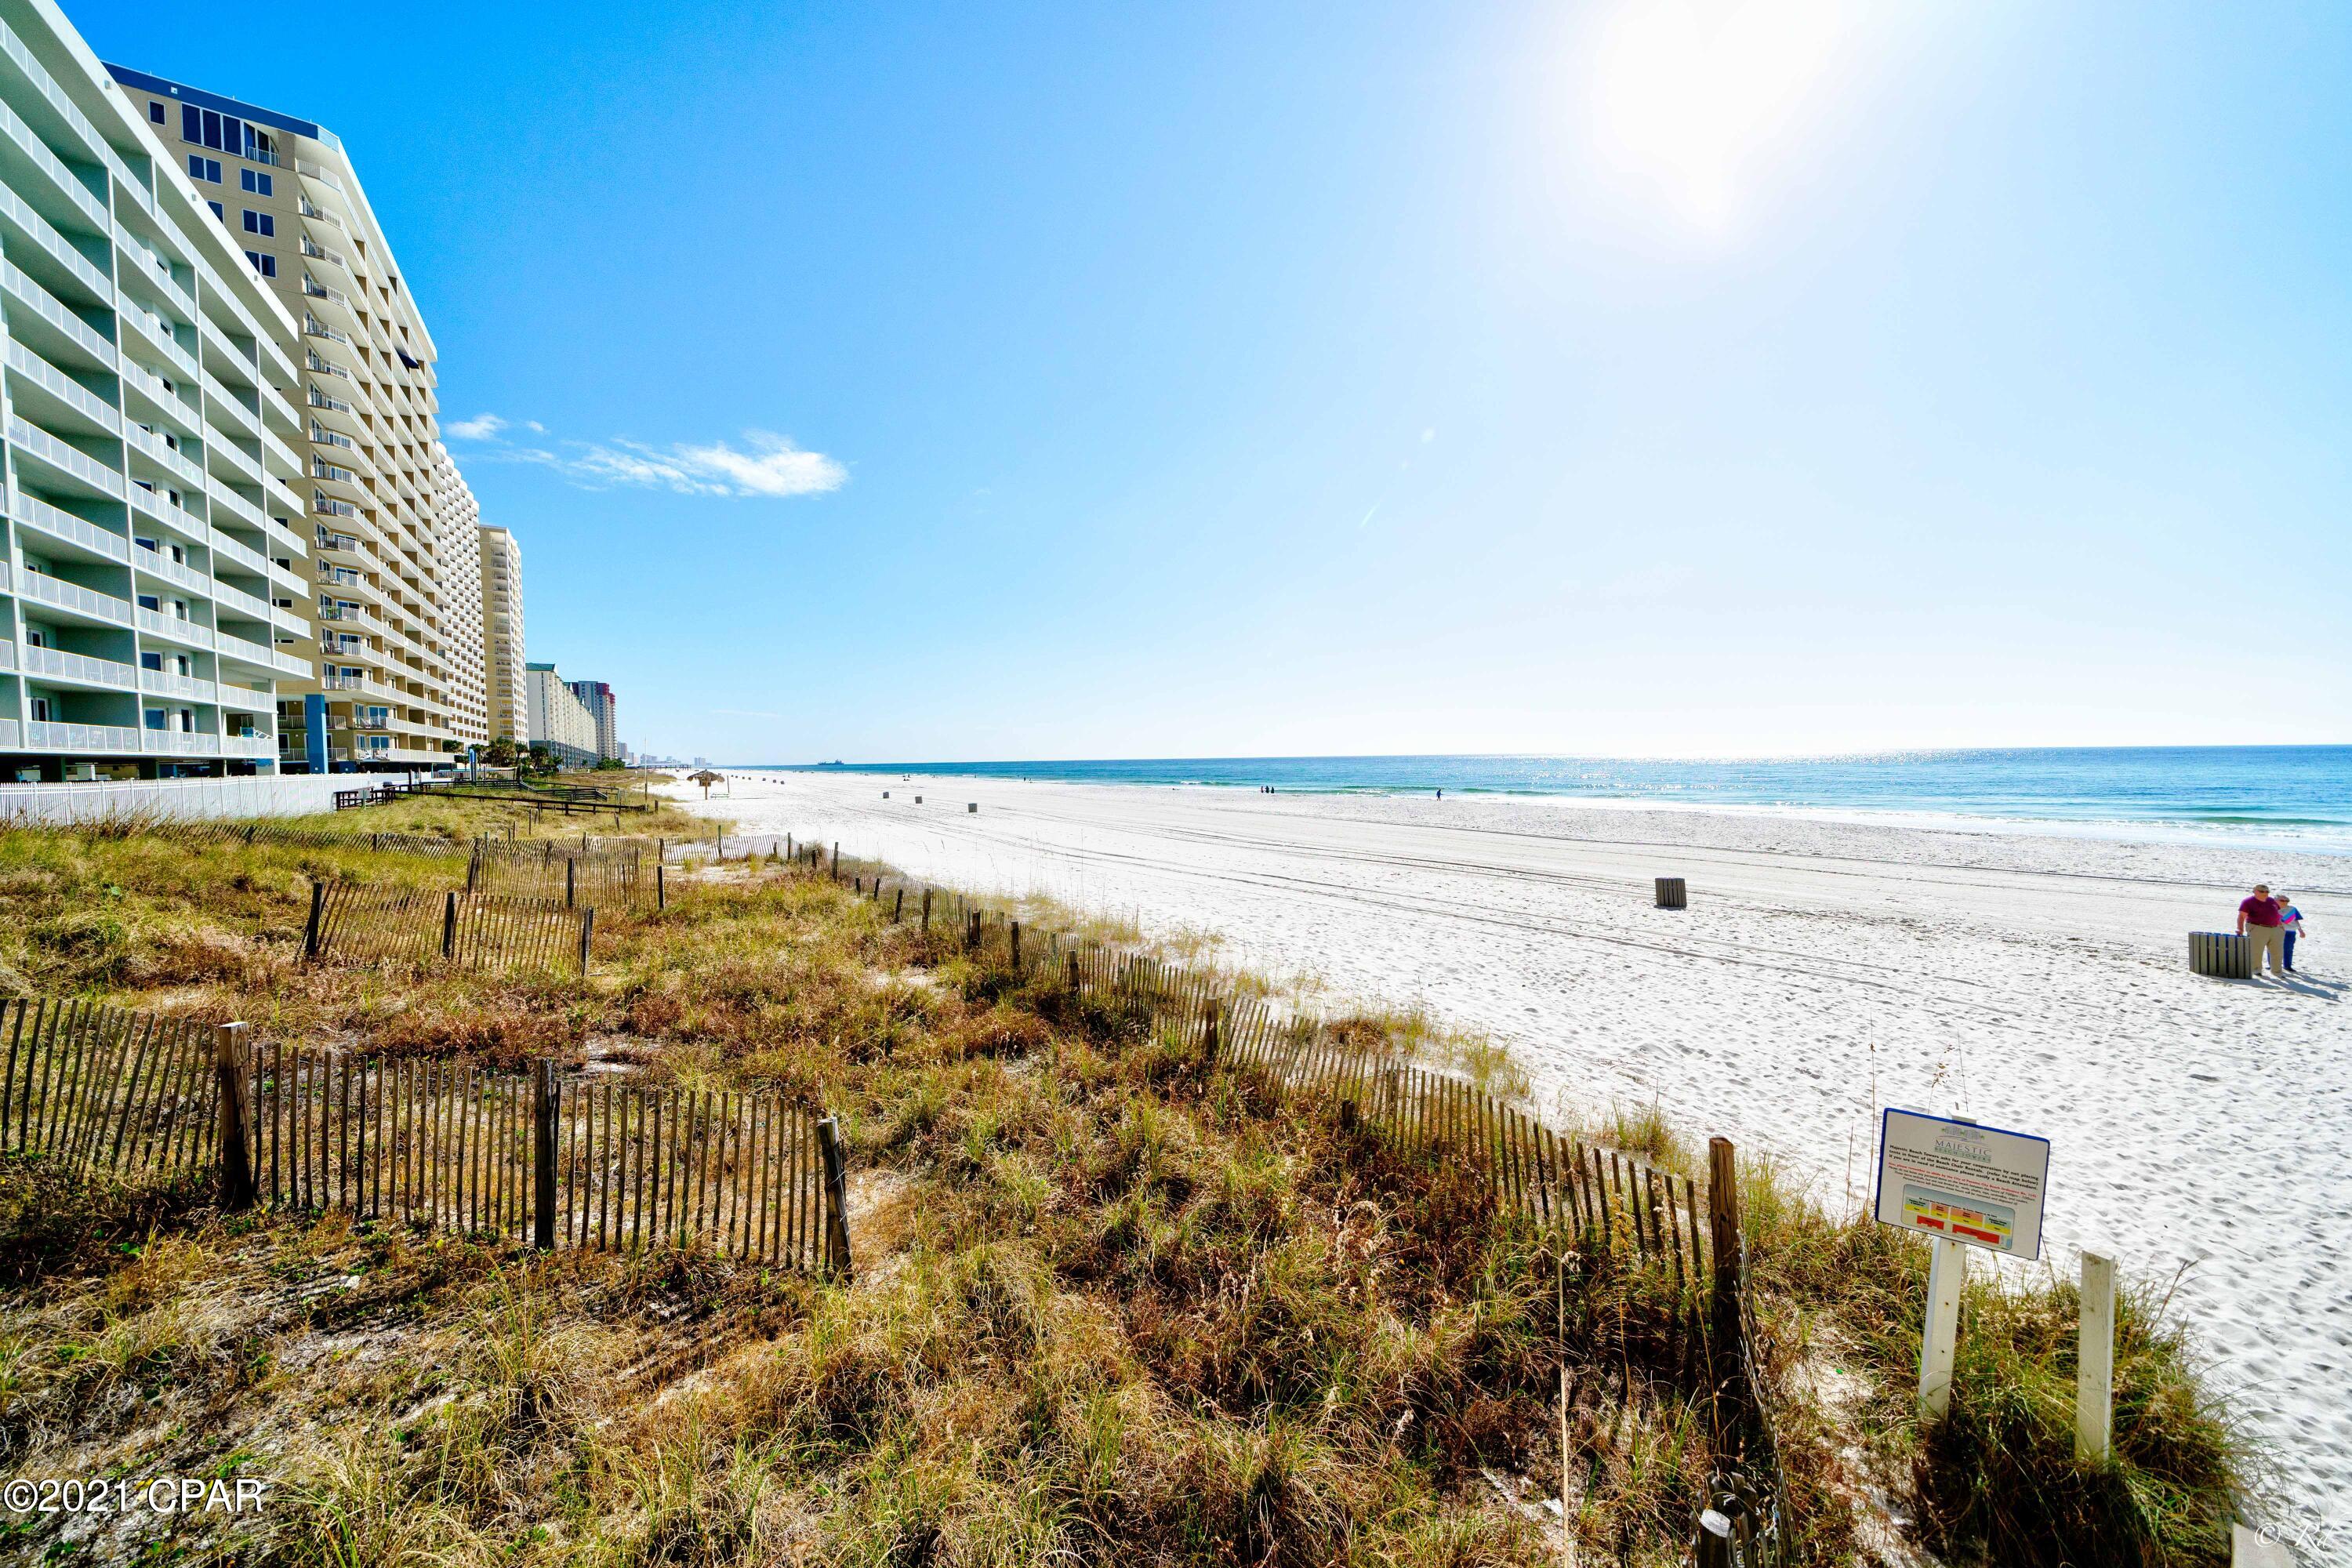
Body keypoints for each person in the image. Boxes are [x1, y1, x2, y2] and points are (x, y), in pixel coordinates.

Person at [2237, 884, 2287, 977]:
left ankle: (2277, 972)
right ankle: (2256, 970)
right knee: (2256, 951)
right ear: (2255, 891)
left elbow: (2275, 914)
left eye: (2267, 891)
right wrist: (2240, 929)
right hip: (2257, 928)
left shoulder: (2271, 900)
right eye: (2262, 891)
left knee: (2277, 952)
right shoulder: (2248, 901)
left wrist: (2281, 926)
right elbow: (2241, 916)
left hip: (2275, 929)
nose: (2265, 893)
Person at [2278, 895, 2306, 973]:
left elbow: (2296, 921)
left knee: (2288, 949)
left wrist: (2301, 931)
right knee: (2274, 949)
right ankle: (2272, 966)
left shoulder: (2292, 909)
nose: (2285, 902)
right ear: (2276, 900)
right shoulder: (2273, 909)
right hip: (2277, 931)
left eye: (2287, 901)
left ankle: (2287, 966)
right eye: (2282, 900)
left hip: (2290, 931)